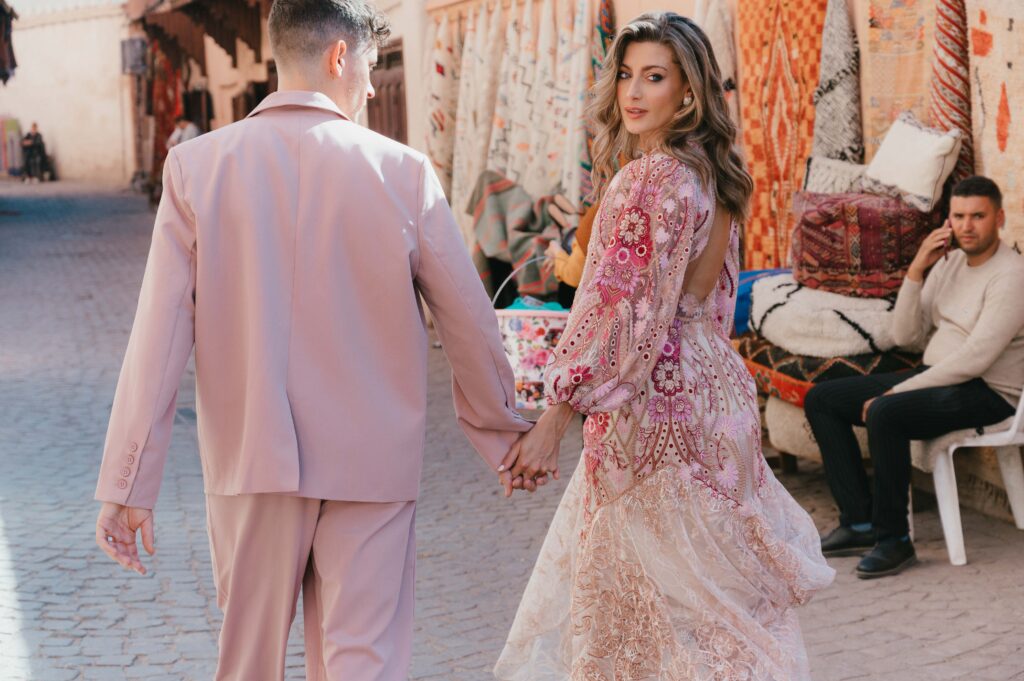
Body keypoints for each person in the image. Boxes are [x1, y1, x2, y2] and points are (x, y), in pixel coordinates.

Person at [92, 1, 538, 679]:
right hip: (373, 464)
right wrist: (504, 435)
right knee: (365, 663)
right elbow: (470, 322)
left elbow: (157, 336)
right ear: (339, 56)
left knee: (248, 665)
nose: (367, 86)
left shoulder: (196, 169)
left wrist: (129, 481)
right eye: (368, 68)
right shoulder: (404, 172)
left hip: (251, 461)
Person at [494, 13, 834, 680]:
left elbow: (620, 310)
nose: (633, 91)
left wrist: (558, 416)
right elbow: (703, 302)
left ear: (688, 93)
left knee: (646, 605)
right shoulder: (715, 172)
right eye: (626, 74)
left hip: (654, 404)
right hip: (718, 392)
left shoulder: (646, 180)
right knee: (715, 597)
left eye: (655, 76)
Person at [805, 175, 1024, 579]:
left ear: (999, 218)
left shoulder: (1011, 275)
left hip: (988, 391)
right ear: (949, 220)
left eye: (978, 216)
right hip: (939, 376)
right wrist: (918, 269)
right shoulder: (951, 262)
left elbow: (975, 360)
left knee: (887, 413)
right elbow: (905, 335)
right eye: (959, 216)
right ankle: (859, 522)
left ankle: (895, 542)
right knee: (823, 398)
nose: (968, 226)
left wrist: (896, 391)